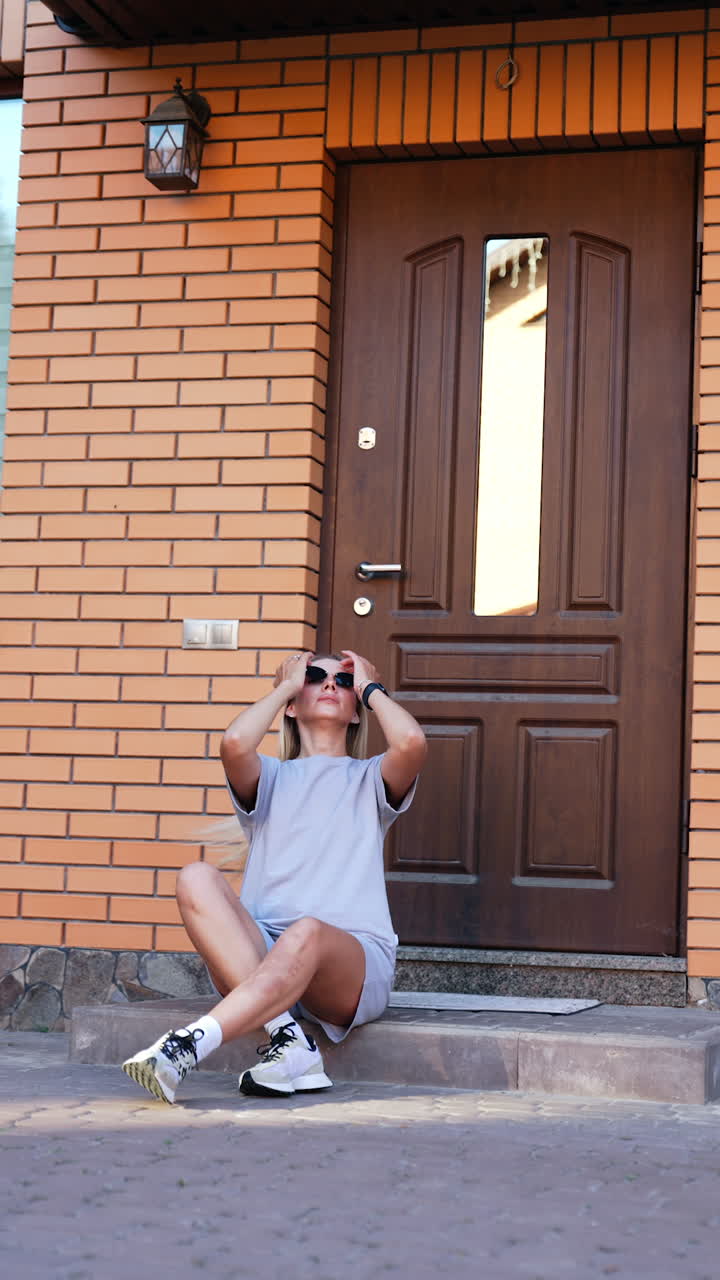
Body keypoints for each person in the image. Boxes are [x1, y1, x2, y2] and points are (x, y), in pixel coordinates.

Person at [121, 648, 427, 1104]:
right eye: (314, 677)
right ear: (291, 705)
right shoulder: (270, 777)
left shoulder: (370, 778)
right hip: (260, 957)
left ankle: (188, 1045)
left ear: (356, 712)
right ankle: (288, 1037)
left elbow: (411, 742)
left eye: (343, 681)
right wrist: (284, 685)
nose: (330, 684)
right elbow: (234, 743)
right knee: (195, 876)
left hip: (349, 966)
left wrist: (371, 688)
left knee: (307, 931)